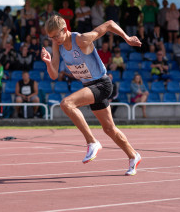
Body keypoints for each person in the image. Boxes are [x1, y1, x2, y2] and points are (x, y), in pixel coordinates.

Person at [41, 15, 142, 176]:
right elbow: (53, 75)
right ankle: (133, 155)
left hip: (102, 84)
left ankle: (92, 142)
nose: (54, 40)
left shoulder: (81, 40)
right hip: (90, 86)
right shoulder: (57, 45)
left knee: (67, 104)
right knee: (109, 128)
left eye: (56, 36)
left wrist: (127, 38)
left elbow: (109, 24)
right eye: (50, 37)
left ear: (65, 30)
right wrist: (47, 62)